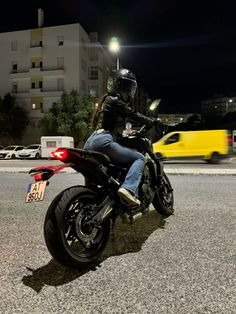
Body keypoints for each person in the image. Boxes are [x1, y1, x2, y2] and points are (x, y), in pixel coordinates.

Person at [84, 68, 154, 206]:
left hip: (90, 141)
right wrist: (151, 121)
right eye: (128, 87)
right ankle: (128, 188)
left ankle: (94, 196)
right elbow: (133, 114)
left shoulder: (107, 100)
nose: (130, 91)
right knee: (139, 158)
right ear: (121, 86)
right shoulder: (116, 101)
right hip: (104, 141)